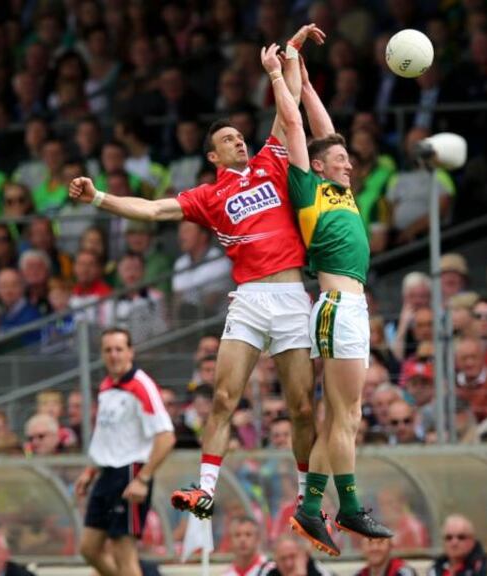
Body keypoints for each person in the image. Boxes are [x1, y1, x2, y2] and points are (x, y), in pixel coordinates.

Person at [68, 26, 327, 522]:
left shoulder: (273, 162)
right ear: (214, 156)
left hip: (293, 296)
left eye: (239, 136)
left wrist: (290, 53)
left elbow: (288, 106)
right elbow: (151, 210)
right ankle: (205, 488)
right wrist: (99, 197)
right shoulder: (209, 198)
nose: (239, 141)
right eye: (229, 139)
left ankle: (304, 499)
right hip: (250, 299)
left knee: (299, 407)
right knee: (224, 396)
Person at [262, 40, 392, 553]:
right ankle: (350, 508)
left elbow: (320, 129)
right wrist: (278, 74)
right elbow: (298, 131)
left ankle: (312, 510)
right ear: (318, 168)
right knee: (344, 416)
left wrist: (307, 79)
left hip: (351, 308)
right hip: (336, 307)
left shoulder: (339, 190)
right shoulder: (309, 189)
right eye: (338, 161)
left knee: (344, 417)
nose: (349, 165)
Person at [73, 328, 176, 576]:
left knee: (123, 552)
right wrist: (90, 471)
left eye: (119, 349)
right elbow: (106, 435)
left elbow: (166, 437)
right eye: (108, 350)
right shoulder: (107, 386)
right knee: (89, 548)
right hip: (107, 473)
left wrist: (143, 478)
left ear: (130, 352)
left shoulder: (141, 385)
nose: (114, 355)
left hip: (131, 472)